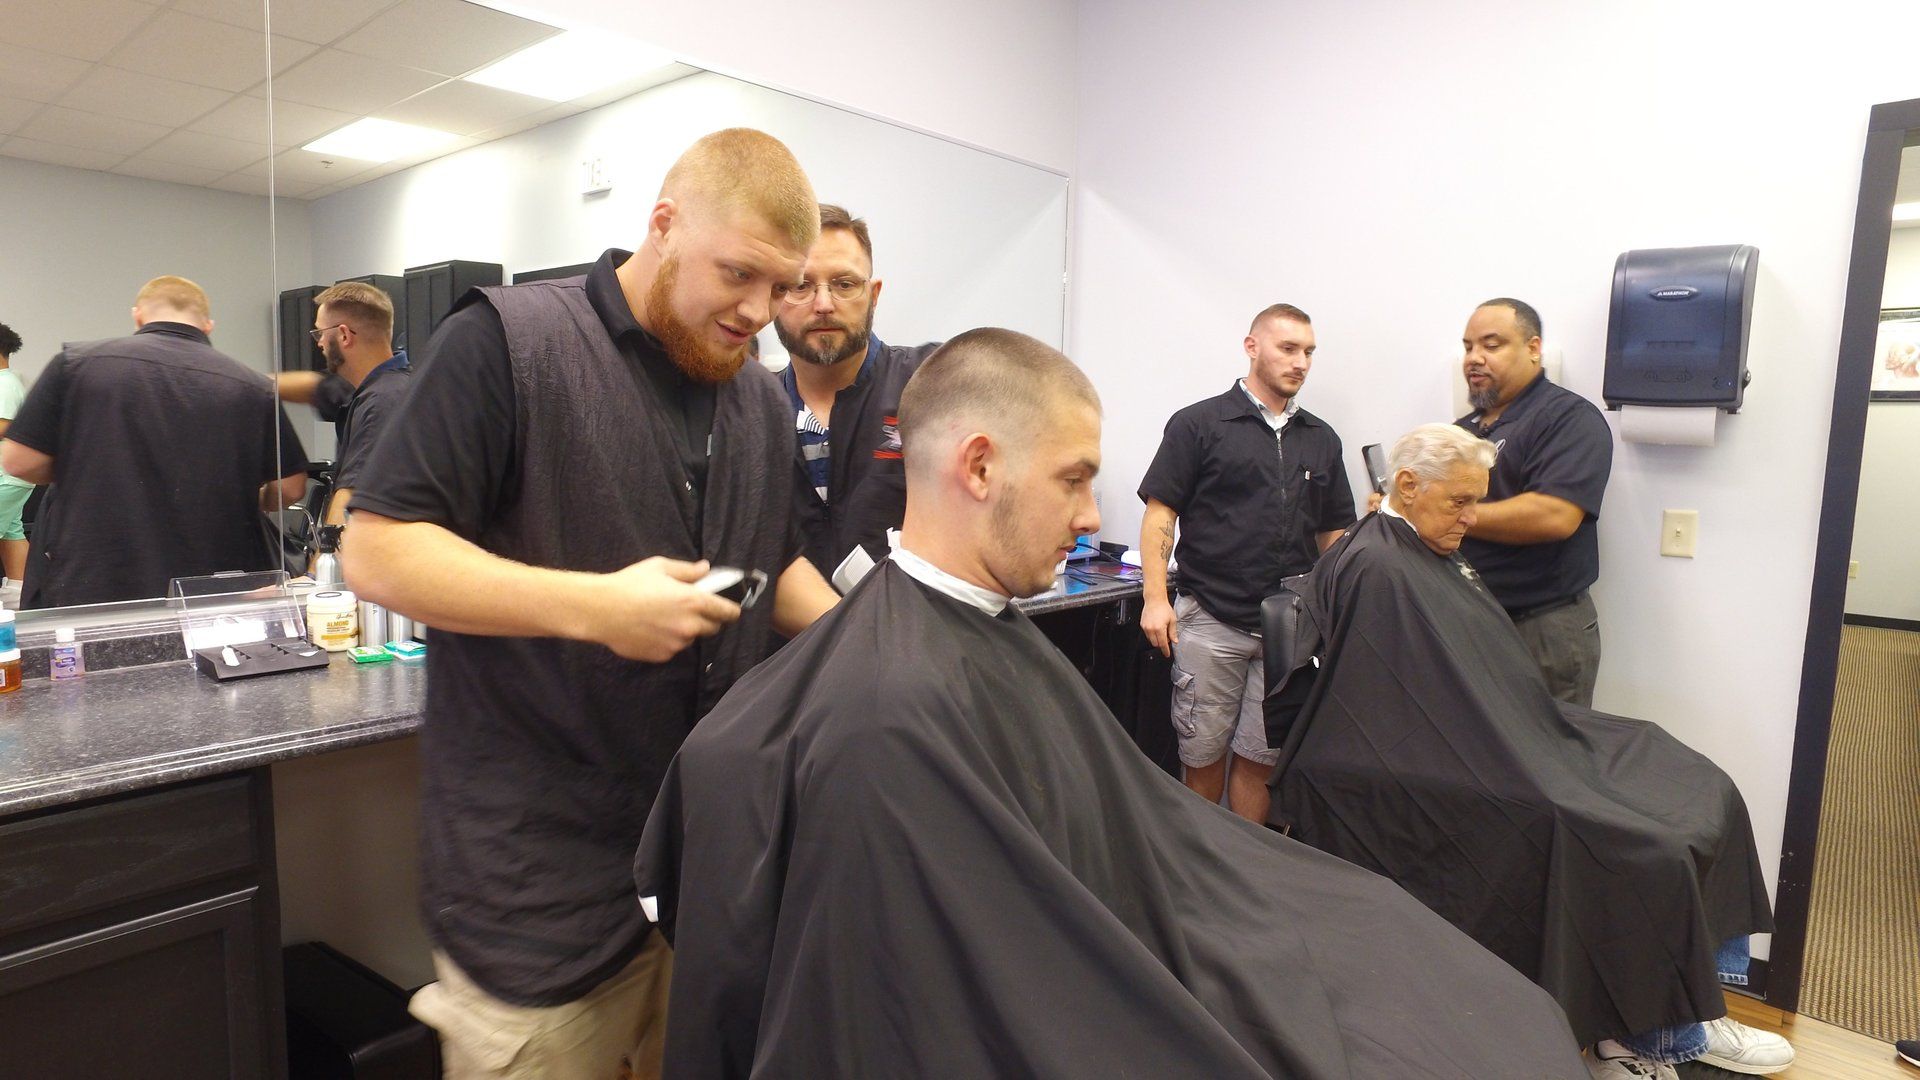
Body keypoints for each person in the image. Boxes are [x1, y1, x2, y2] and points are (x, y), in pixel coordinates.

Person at [635, 329, 1588, 1079]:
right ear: (978, 467)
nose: (1095, 518)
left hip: (1179, 920)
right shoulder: (887, 715)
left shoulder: (971, 637)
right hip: (1111, 990)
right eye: (1076, 479)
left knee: (1411, 950)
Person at [340, 128, 840, 1080]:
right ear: (662, 224)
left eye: (780, 288)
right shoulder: (504, 342)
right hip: (538, 893)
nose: (760, 313)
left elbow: (771, 559)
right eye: (738, 275)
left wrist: (881, 635)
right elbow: (378, 550)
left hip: (698, 874)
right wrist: (594, 608)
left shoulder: (757, 398)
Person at [1264, 424, 1791, 1079]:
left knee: (1693, 779)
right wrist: (1517, 751)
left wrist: (1526, 731)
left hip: (1517, 733)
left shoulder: (1423, 547)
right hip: (1463, 765)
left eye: (1475, 500)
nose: (1471, 517)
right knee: (1637, 841)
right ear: (1407, 485)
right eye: (1460, 501)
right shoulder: (1377, 566)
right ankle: (1634, 1039)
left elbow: (1463, 683)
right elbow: (1392, 709)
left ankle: (1689, 1007)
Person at [1136, 303, 1355, 822]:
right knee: (1203, 755)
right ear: (1252, 346)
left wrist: (1338, 612)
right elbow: (1161, 512)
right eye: (1288, 348)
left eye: (1309, 352)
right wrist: (1153, 599)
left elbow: (1334, 534)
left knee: (1262, 758)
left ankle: (1244, 868)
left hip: (1289, 632)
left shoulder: (1320, 439)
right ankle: (1196, 865)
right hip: (1212, 620)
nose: (1300, 362)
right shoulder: (1199, 424)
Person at [0, 276, 308, 609]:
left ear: (138, 316)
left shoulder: (76, 363)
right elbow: (291, 488)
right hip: (213, 584)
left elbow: (19, 461)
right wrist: (241, 493)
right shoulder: (251, 385)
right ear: (208, 324)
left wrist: (87, 471)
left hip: (99, 577)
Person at [1455, 298, 1613, 707]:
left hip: (1542, 629)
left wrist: (1452, 513)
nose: (1475, 358)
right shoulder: (1461, 432)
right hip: (1470, 621)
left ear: (1533, 348)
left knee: (1551, 762)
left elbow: (1555, 515)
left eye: (1491, 345)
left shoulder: (1568, 418)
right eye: (1468, 346)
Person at [773, 204, 940, 578]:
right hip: (791, 637)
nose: (824, 304)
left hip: (905, 629)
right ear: (774, 294)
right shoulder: (749, 412)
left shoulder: (933, 384)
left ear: (874, 294)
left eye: (844, 284)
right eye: (800, 286)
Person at [307, 281, 411, 528]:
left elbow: (349, 512)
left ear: (343, 335)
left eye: (320, 332)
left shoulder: (380, 402)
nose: (319, 343)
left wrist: (318, 566)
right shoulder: (396, 388)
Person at [0, 322, 33, 586]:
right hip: (11, 476)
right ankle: (20, 598)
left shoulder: (4, 384)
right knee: (12, 532)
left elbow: (5, 426)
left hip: (5, 477)